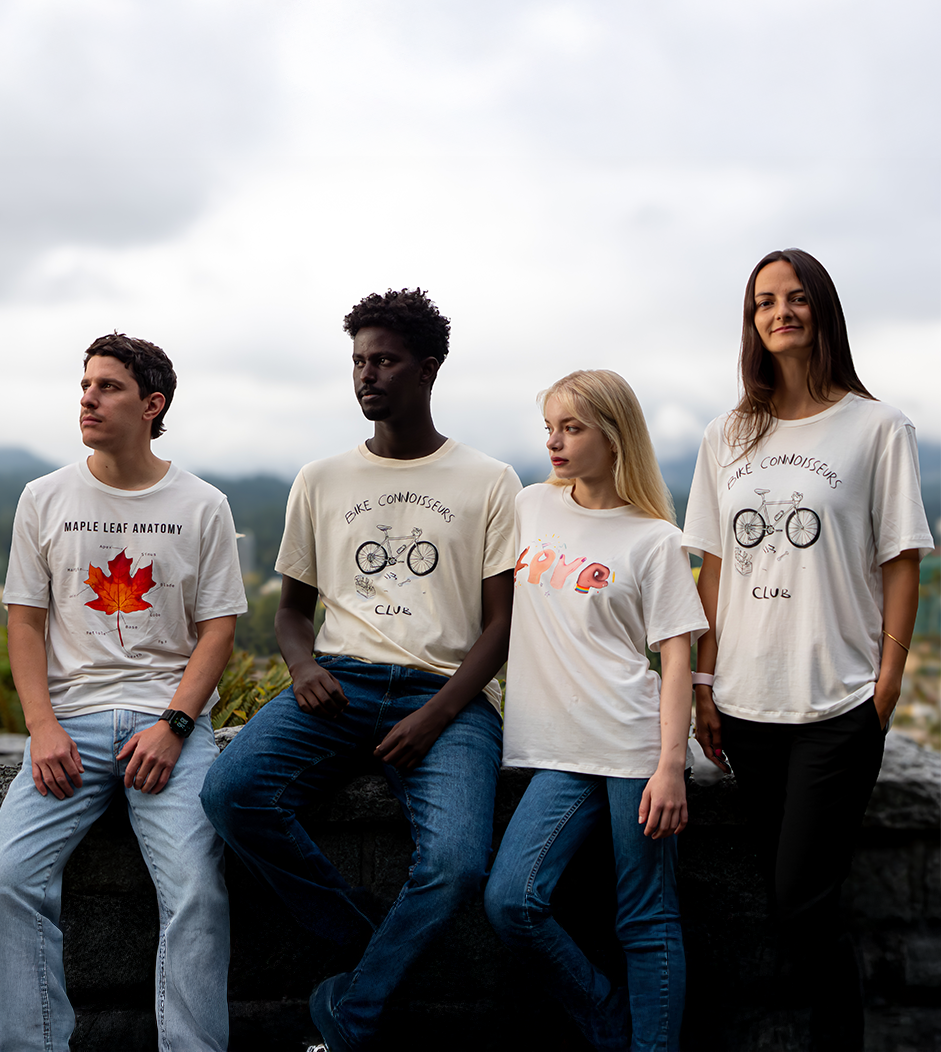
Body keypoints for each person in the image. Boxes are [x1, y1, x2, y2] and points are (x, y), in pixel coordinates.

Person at [200, 287, 521, 1051]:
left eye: (384, 361)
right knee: (231, 792)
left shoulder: (488, 480)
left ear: (428, 369)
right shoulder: (321, 479)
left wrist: (436, 714)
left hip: (447, 698)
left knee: (453, 866)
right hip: (338, 683)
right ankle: (370, 945)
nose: (367, 376)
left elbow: (503, 623)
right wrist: (303, 665)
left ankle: (352, 1016)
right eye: (358, 362)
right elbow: (289, 612)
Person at [682, 249, 931, 1051]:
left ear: (822, 308)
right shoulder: (727, 433)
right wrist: (705, 685)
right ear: (751, 321)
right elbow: (712, 571)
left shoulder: (878, 427)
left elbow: (901, 565)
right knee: (797, 907)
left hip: (837, 705)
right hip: (748, 707)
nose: (779, 312)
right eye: (763, 302)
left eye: (795, 298)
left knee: (801, 903)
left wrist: (884, 689)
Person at [0, 333, 247, 1052]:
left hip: (172, 729)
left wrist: (175, 724)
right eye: (86, 385)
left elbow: (218, 630)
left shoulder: (202, 503)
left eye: (109, 387)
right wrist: (42, 727)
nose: (88, 398)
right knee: (3, 882)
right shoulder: (44, 497)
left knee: (196, 891)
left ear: (152, 405)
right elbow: (26, 624)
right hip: (71, 726)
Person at [484, 370, 706, 1052]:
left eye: (572, 428)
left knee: (645, 917)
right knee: (511, 901)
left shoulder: (655, 539)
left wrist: (670, 765)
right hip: (556, 748)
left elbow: (675, 658)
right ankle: (610, 1025)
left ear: (614, 438)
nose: (555, 441)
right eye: (550, 427)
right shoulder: (528, 506)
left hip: (633, 747)